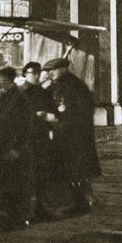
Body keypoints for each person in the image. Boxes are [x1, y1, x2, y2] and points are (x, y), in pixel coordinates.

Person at [43, 57, 101, 215]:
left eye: (52, 70)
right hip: (66, 134)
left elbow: (77, 112)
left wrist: (56, 121)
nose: (50, 74)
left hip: (75, 136)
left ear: (63, 68)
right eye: (48, 71)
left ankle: (82, 203)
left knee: (76, 169)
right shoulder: (58, 84)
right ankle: (84, 199)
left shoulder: (74, 86)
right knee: (73, 169)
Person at [0, 66, 34, 230]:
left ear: (6, 79)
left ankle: (20, 220)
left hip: (15, 150)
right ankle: (12, 217)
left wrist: (17, 149)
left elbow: (27, 126)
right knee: (8, 184)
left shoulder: (18, 98)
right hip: (6, 148)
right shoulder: (7, 96)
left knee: (17, 185)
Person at [19, 62, 58, 222]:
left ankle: (40, 209)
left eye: (38, 72)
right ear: (25, 74)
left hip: (41, 137)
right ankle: (26, 212)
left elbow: (54, 112)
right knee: (28, 175)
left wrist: (48, 118)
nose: (36, 75)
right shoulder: (21, 93)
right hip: (26, 138)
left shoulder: (44, 92)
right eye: (32, 72)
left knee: (42, 174)